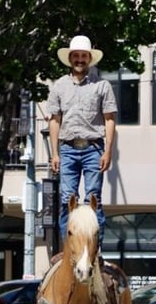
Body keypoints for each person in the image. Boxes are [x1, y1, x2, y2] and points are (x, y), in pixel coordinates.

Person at [46, 35, 117, 248]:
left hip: (93, 148)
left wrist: (108, 152)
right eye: (76, 56)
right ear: (70, 58)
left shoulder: (102, 86)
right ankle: (69, 249)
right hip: (67, 149)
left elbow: (109, 119)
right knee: (68, 199)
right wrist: (55, 153)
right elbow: (54, 120)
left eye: (83, 56)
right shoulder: (59, 86)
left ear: (89, 59)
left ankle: (96, 249)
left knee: (93, 199)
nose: (79, 59)